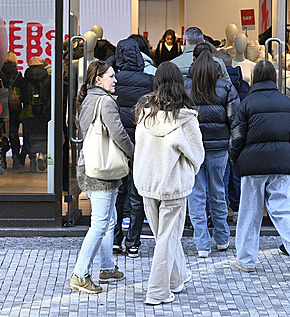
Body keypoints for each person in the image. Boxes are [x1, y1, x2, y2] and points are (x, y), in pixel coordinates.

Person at [229, 60, 290, 280]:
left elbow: (237, 137)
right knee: (284, 209)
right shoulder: (286, 102)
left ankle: (246, 260)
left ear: (254, 78)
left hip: (252, 164)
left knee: (250, 212)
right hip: (281, 163)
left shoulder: (247, 103)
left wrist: (236, 160)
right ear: (274, 78)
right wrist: (287, 156)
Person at [133, 62, 204, 305]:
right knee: (167, 238)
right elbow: (197, 154)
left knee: (163, 237)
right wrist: (189, 171)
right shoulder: (185, 117)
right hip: (173, 185)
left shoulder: (143, 112)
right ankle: (157, 291)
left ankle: (177, 278)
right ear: (179, 82)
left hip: (147, 183)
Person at [70, 60, 134, 294]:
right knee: (99, 224)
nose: (115, 80)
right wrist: (133, 152)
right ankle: (80, 274)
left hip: (91, 165)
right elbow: (118, 133)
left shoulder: (88, 99)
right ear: (98, 79)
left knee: (108, 219)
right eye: (111, 76)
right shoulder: (105, 101)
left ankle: (106, 267)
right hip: (102, 170)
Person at [184, 45, 239, 258]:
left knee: (196, 194)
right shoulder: (226, 87)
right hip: (219, 147)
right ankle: (223, 239)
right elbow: (235, 119)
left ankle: (202, 243)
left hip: (193, 147)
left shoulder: (185, 86)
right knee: (218, 191)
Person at [111, 37, 155, 257]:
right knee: (137, 197)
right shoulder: (148, 80)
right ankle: (133, 243)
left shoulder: (113, 80)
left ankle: (116, 239)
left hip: (118, 145)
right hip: (141, 145)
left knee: (119, 195)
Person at [213, 49, 249, 219]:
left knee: (221, 177)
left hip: (218, 137)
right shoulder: (244, 86)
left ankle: (222, 210)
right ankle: (237, 207)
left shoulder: (215, 86)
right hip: (238, 136)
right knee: (236, 174)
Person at [19, 56, 50, 172]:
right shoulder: (48, 78)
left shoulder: (25, 78)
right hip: (44, 111)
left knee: (29, 134)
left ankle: (32, 158)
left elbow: (22, 96)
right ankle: (42, 155)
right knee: (42, 134)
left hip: (28, 111)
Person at [0, 52, 24, 170]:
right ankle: (16, 158)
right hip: (15, 108)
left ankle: (2, 159)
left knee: (1, 133)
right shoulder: (18, 74)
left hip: (0, 107)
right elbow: (22, 93)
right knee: (14, 133)